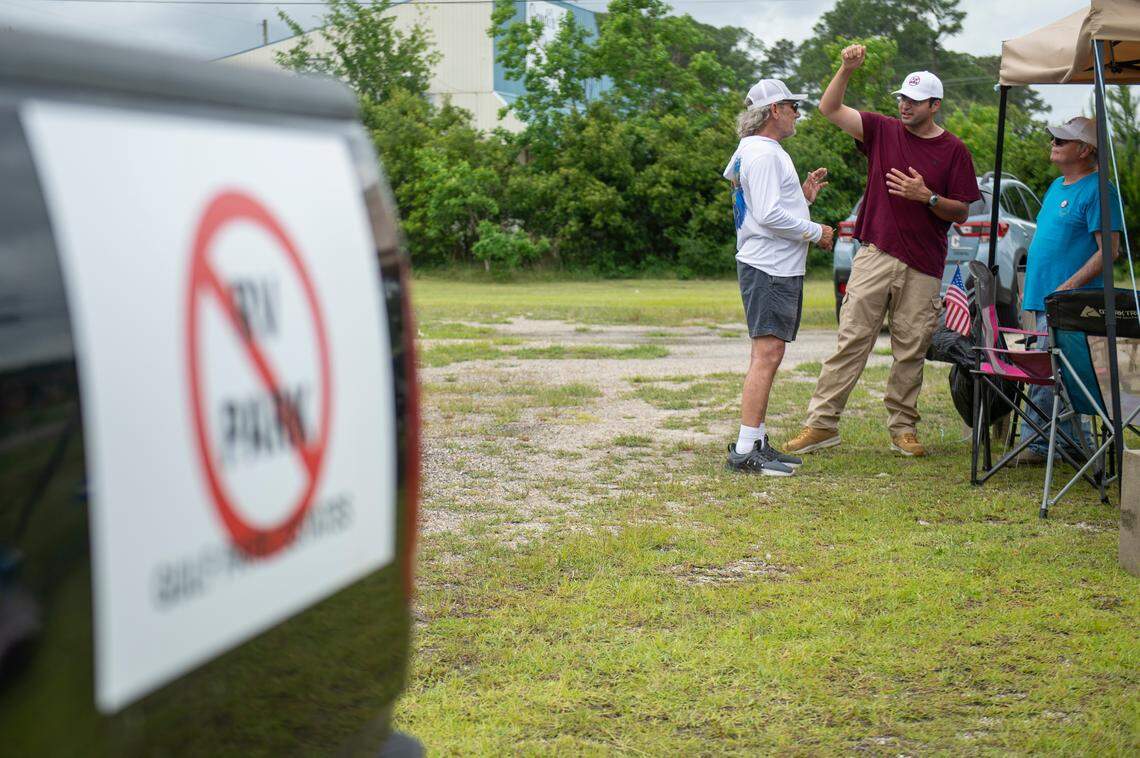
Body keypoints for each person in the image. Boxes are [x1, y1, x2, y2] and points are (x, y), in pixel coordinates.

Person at [784, 46, 980, 458]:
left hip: (925, 264)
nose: (905, 106)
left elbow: (961, 209)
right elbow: (830, 108)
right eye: (902, 99)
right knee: (851, 340)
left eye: (914, 100)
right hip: (874, 254)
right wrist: (846, 68)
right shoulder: (882, 130)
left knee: (911, 348)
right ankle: (821, 425)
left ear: (935, 105)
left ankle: (903, 429)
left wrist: (927, 197)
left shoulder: (954, 150)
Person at [723, 78, 834, 476]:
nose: (796, 113)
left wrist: (801, 198)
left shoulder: (749, 151)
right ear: (774, 110)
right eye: (792, 106)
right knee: (766, 354)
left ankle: (754, 440)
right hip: (770, 265)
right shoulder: (766, 154)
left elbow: (760, 204)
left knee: (768, 353)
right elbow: (767, 215)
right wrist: (815, 230)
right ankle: (745, 449)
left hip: (767, 263)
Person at [1016, 116, 1124, 465]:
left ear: (1085, 149)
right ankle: (1074, 444)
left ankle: (1039, 446)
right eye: (1054, 138)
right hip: (1042, 299)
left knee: (1057, 372)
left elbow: (1110, 251)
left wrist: (1068, 288)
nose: (1054, 143)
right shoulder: (1056, 185)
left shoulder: (1100, 189)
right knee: (1046, 369)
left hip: (1069, 303)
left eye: (1062, 140)